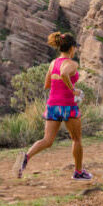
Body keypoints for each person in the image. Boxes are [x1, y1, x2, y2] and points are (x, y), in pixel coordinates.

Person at [13, 32, 93, 181]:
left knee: (47, 140)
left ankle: (26, 158)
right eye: (75, 47)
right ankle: (78, 172)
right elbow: (64, 74)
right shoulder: (72, 64)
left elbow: (47, 84)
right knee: (76, 140)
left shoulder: (53, 63)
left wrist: (61, 83)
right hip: (68, 105)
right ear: (72, 48)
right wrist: (74, 90)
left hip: (53, 105)